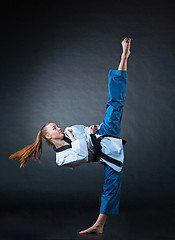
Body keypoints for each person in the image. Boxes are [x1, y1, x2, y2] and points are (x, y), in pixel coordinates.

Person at [9, 37, 131, 234]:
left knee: (115, 102)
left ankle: (123, 57)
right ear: (48, 137)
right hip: (107, 155)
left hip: (106, 132)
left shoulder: (69, 131)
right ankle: (99, 225)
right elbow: (82, 154)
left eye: (56, 125)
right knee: (110, 187)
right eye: (54, 128)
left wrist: (93, 130)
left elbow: (88, 133)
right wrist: (82, 138)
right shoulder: (61, 158)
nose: (59, 128)